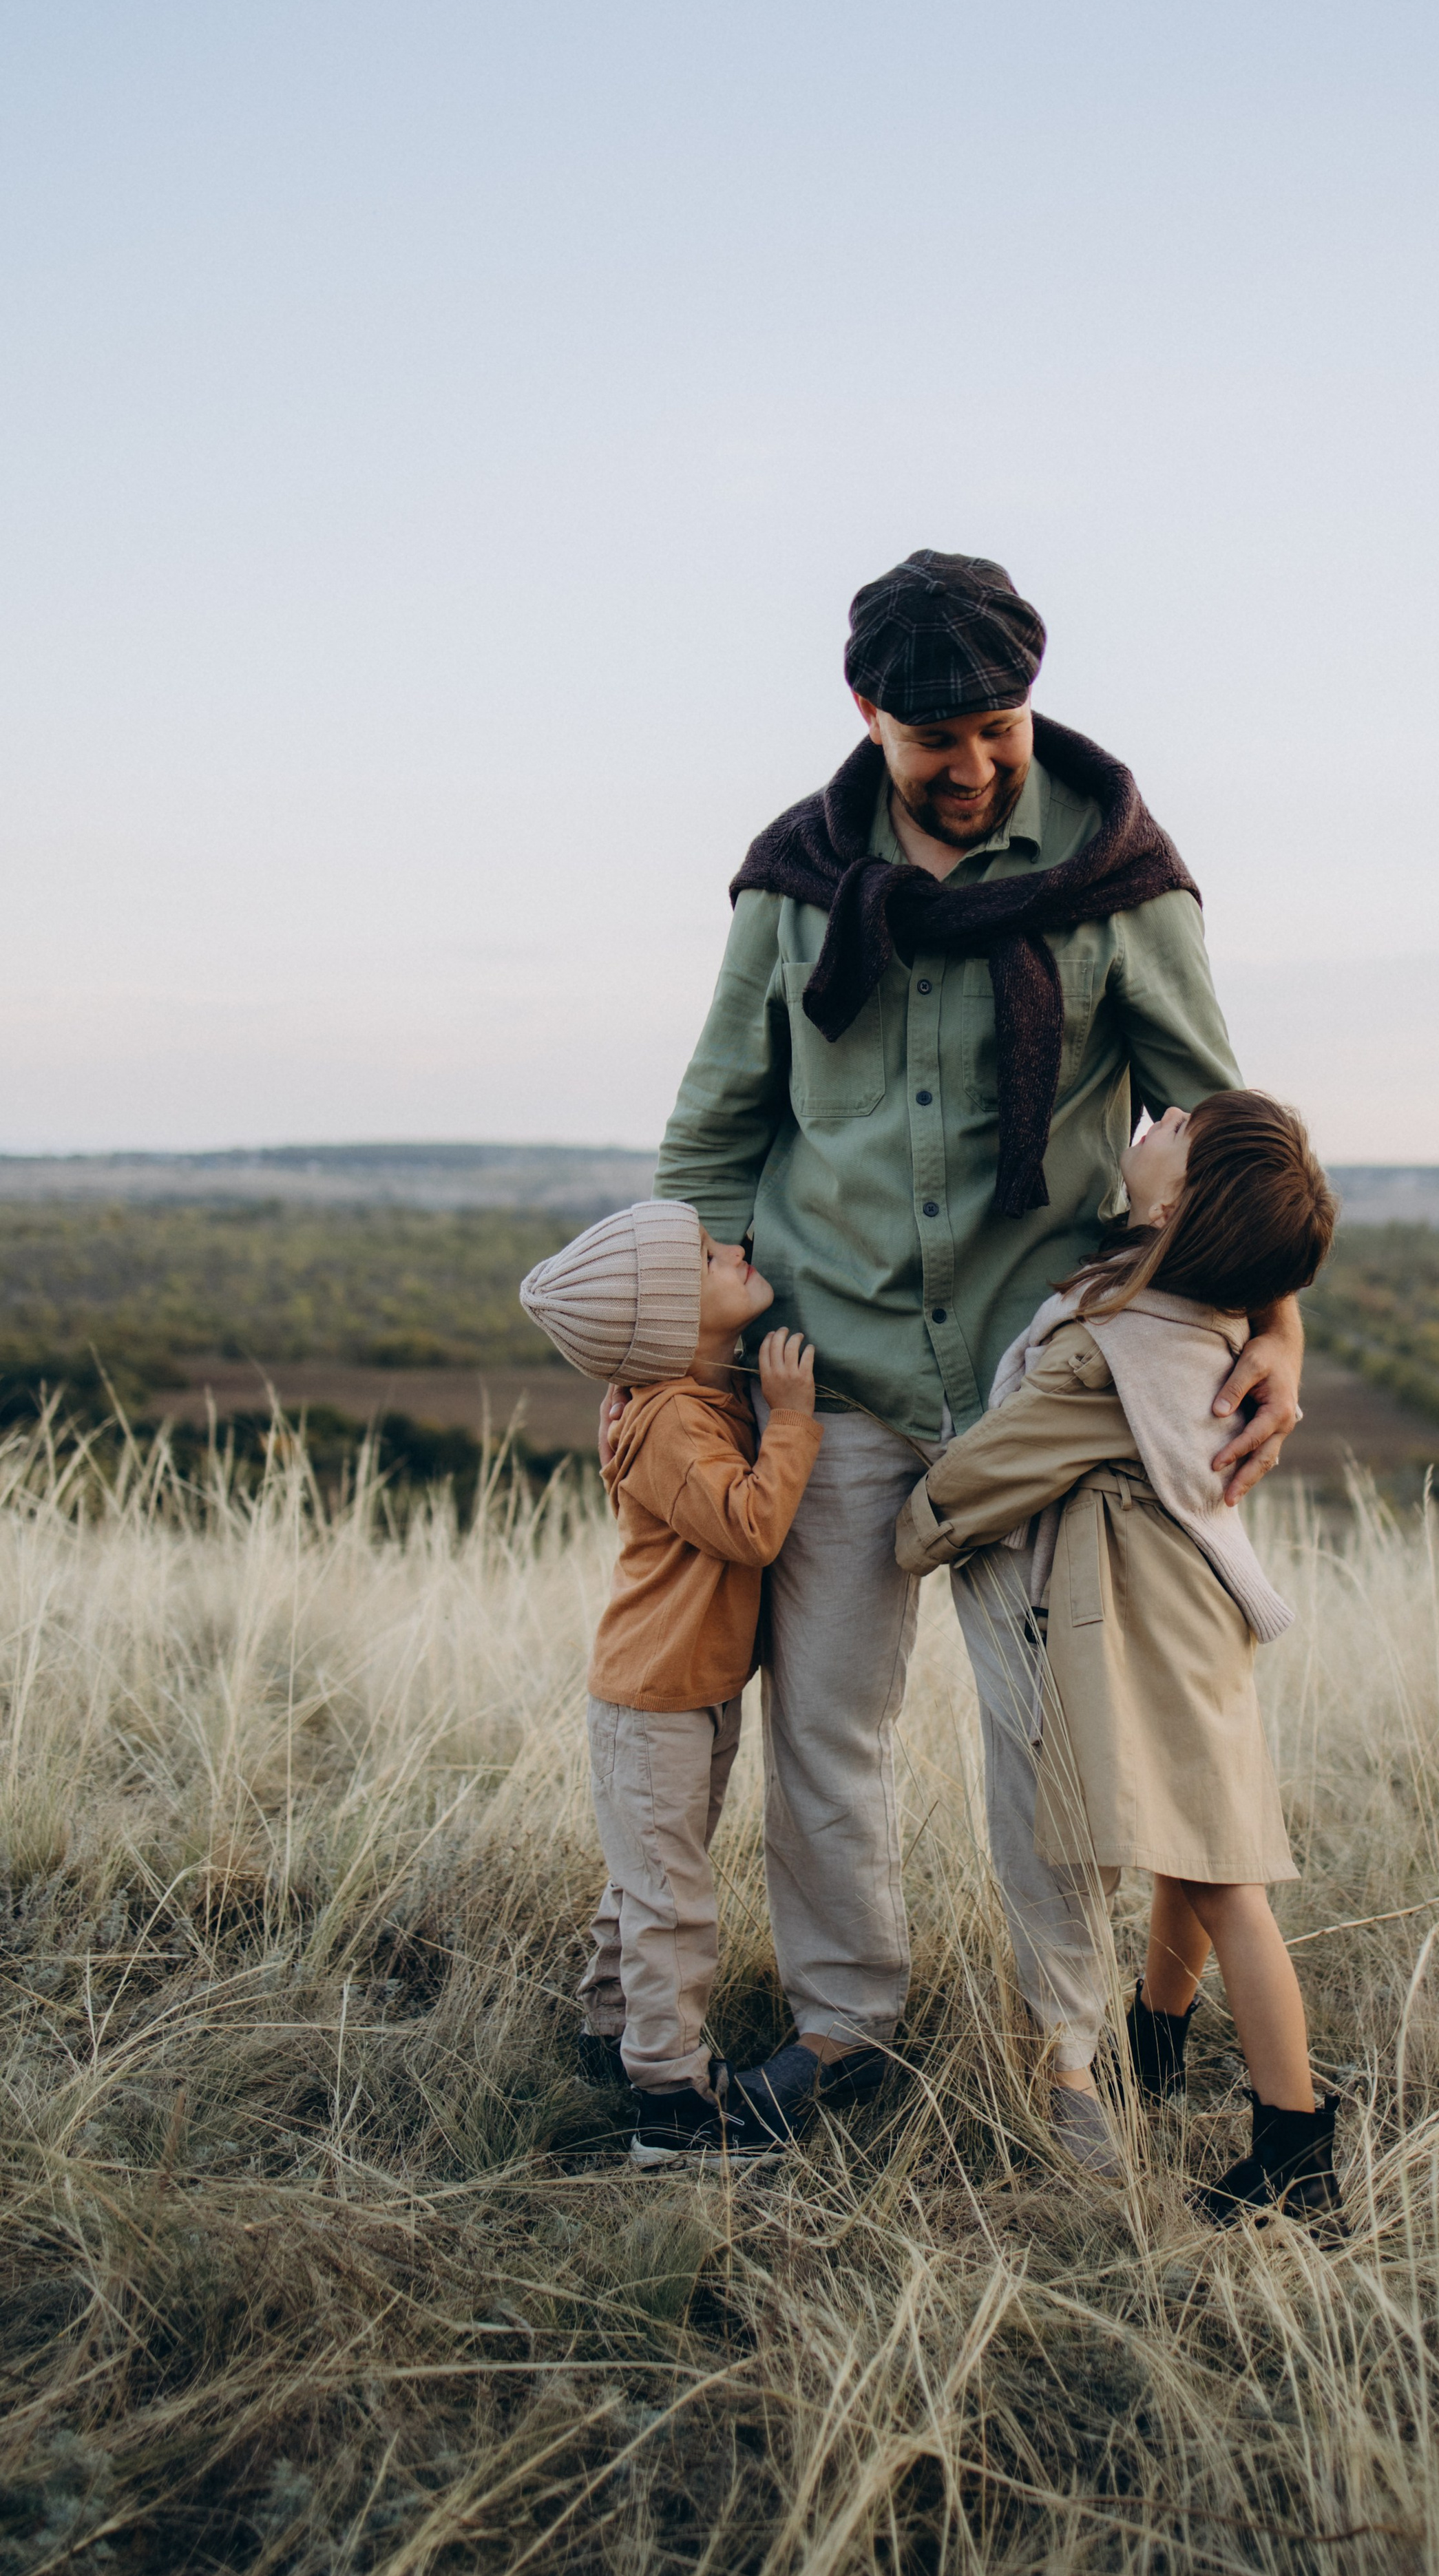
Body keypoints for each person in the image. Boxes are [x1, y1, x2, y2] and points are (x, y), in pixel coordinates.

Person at [647, 549, 1306, 2142]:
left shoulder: (1120, 880)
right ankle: (844, 2029)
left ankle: (1058, 2054)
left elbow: (1216, 1127)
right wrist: (688, 1363)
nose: (972, 766)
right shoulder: (788, 888)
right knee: (826, 1728)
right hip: (835, 1373)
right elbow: (712, 1137)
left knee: (1055, 1745)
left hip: (1047, 1394)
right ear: (868, 713)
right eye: (936, 737)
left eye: (998, 729)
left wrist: (1272, 1324)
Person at [893, 1092, 1343, 2223]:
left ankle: (1297, 2154)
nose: (1161, 1112)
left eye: (1178, 1128)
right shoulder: (1201, 1314)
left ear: (1177, 1201)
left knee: (1219, 1874)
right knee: (1186, 1843)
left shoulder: (1118, 1351)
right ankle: (1156, 2036)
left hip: (1153, 1621)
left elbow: (1003, 1461)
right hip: (1196, 1614)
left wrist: (911, 1529)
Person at [519, 1199, 823, 2167]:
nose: (734, 1251)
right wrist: (797, 1422)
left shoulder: (685, 1397)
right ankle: (671, 2103)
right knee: (672, 1900)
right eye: (704, 1257)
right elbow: (749, 1525)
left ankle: (612, 2036)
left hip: (682, 1688)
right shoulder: (670, 1425)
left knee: (650, 1875)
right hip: (656, 1699)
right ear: (662, 1324)